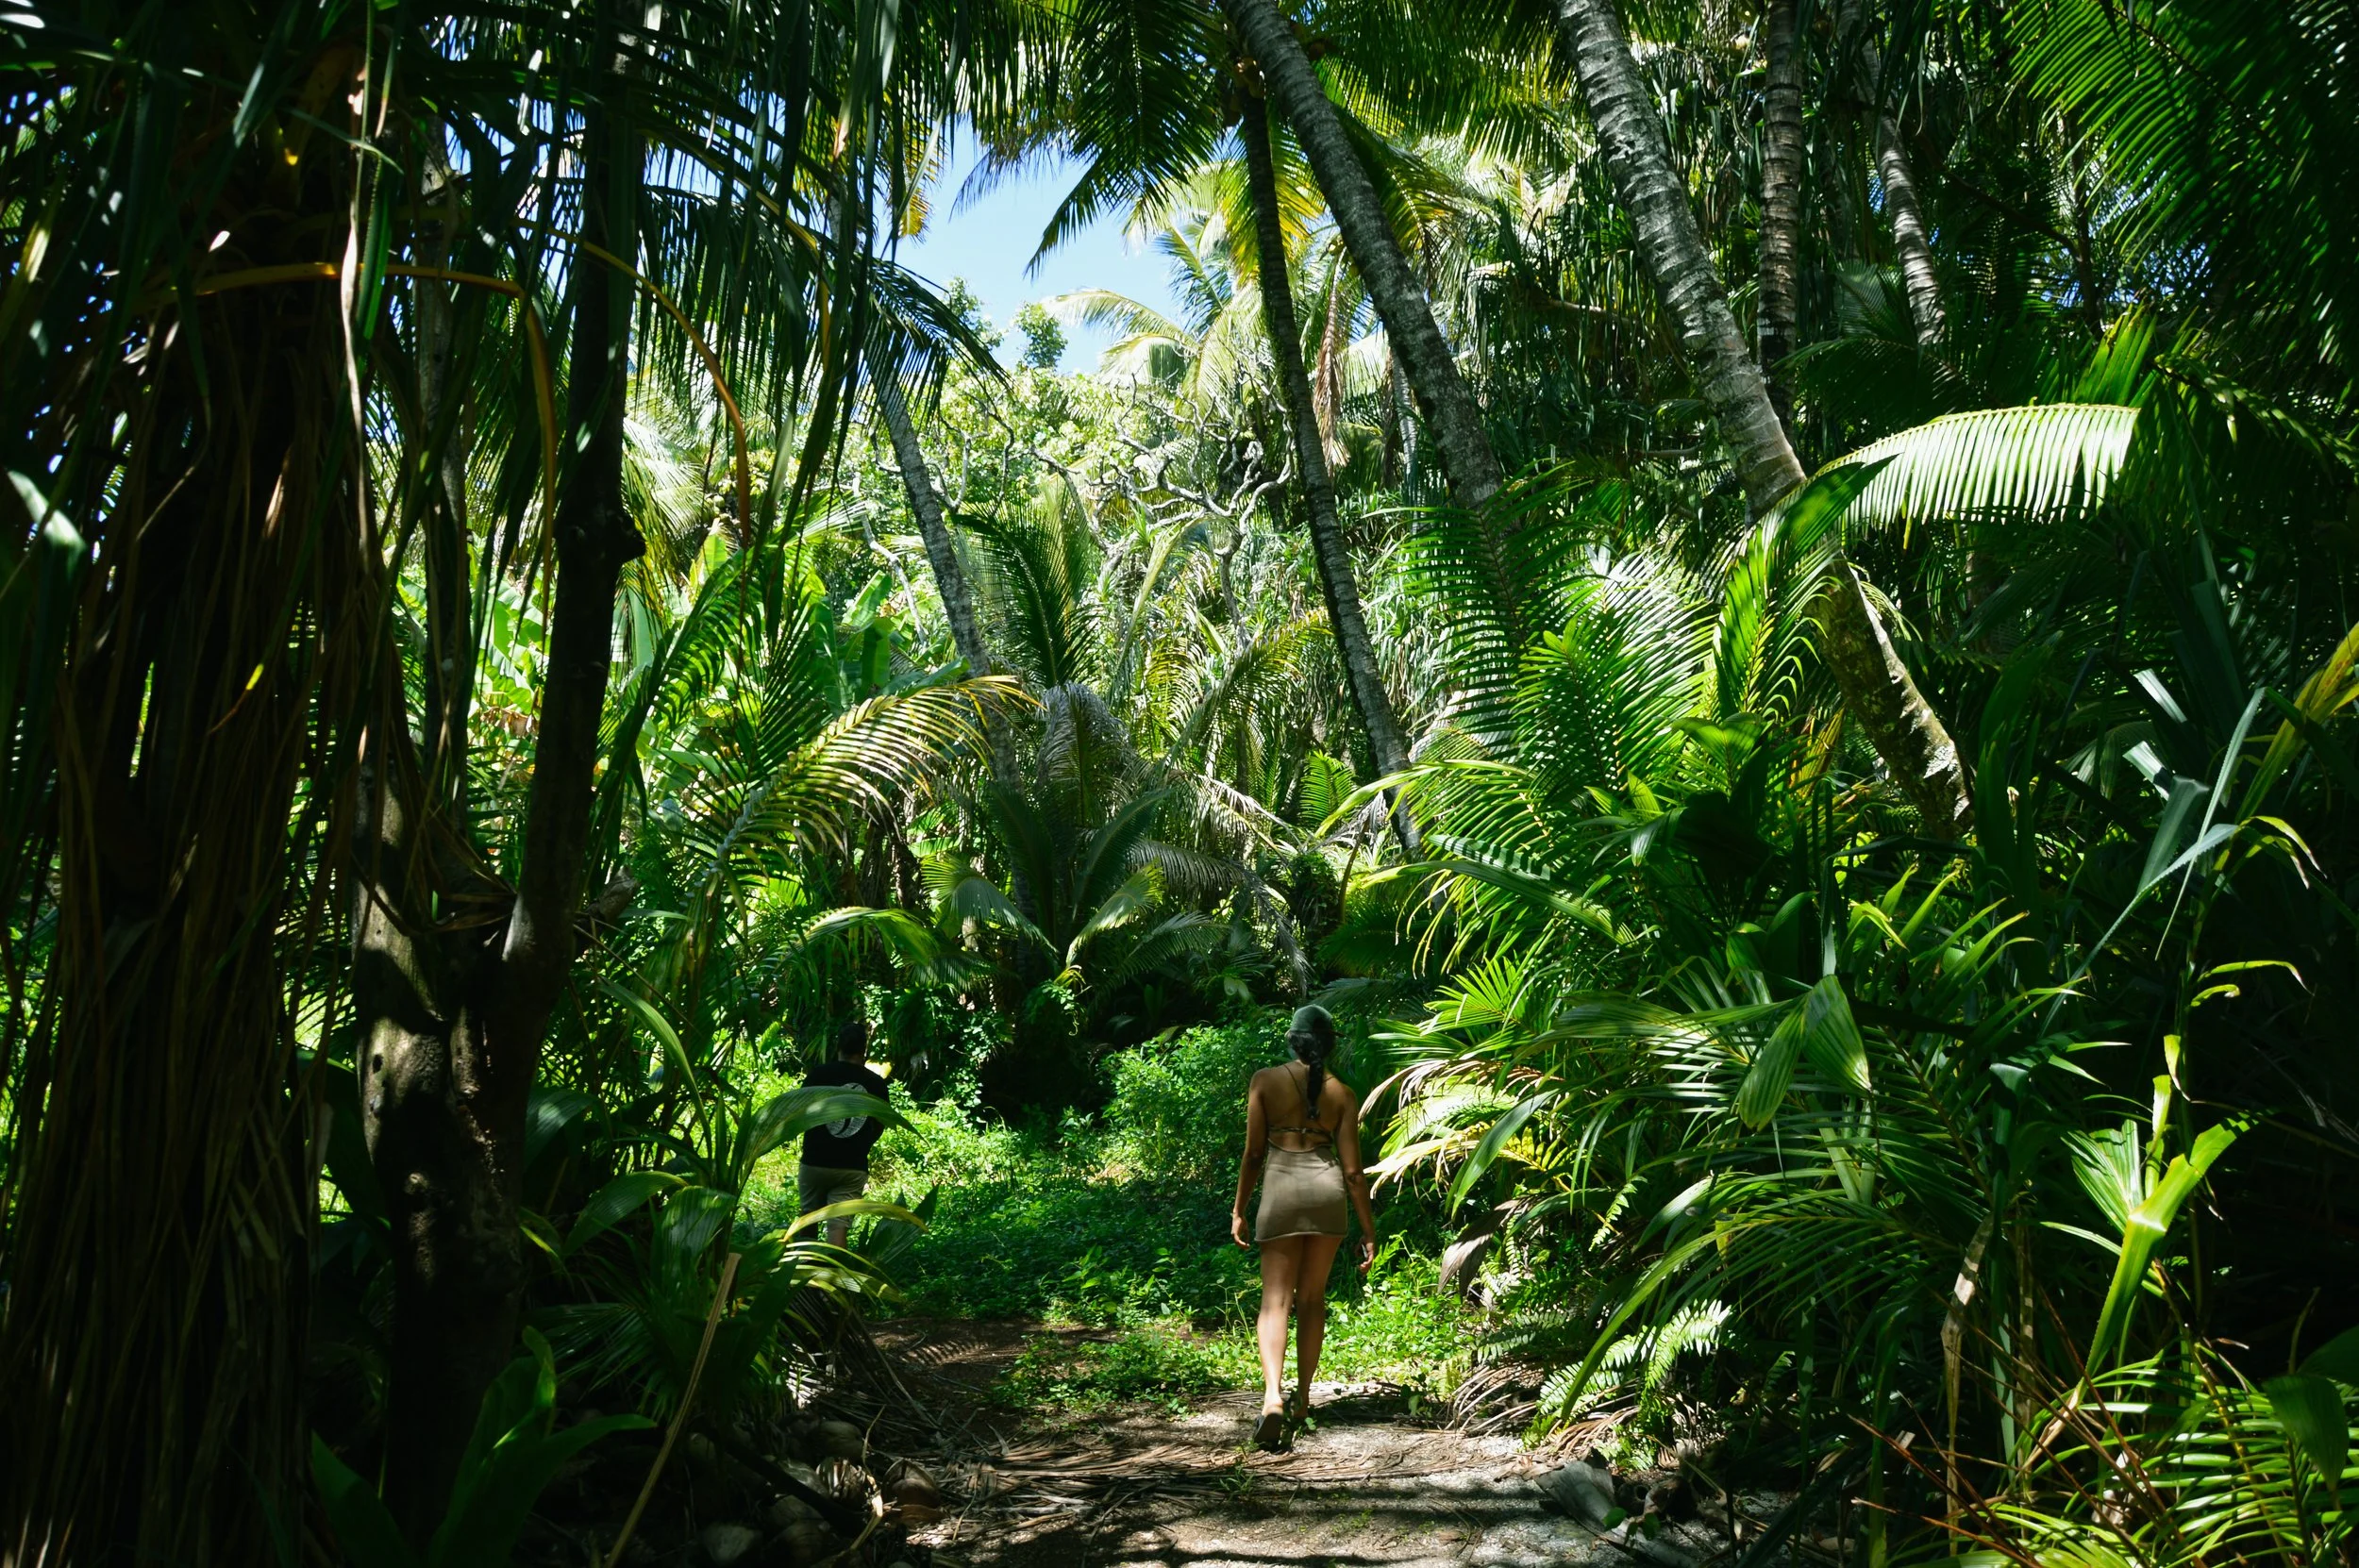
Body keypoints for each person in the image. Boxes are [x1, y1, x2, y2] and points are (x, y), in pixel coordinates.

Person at [1230, 1004, 1378, 1449]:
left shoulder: (1265, 1081)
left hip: (1281, 1192)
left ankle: (1273, 1397)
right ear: (1330, 1044)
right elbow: (1354, 1173)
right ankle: (1304, 1400)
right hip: (1327, 1194)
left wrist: (1239, 1208)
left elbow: (1254, 1155)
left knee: (1275, 1301)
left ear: (1293, 1040)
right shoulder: (1344, 1094)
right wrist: (1368, 1229)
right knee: (1312, 1301)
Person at [796, 1018, 890, 1247]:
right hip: (852, 1165)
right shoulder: (876, 1083)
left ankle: (801, 1277)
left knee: (808, 1219)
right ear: (864, 1050)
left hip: (815, 1160)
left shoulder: (819, 1074)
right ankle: (834, 1280)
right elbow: (881, 1123)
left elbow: (800, 1112)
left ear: (838, 1046)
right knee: (838, 1227)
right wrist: (863, 1143)